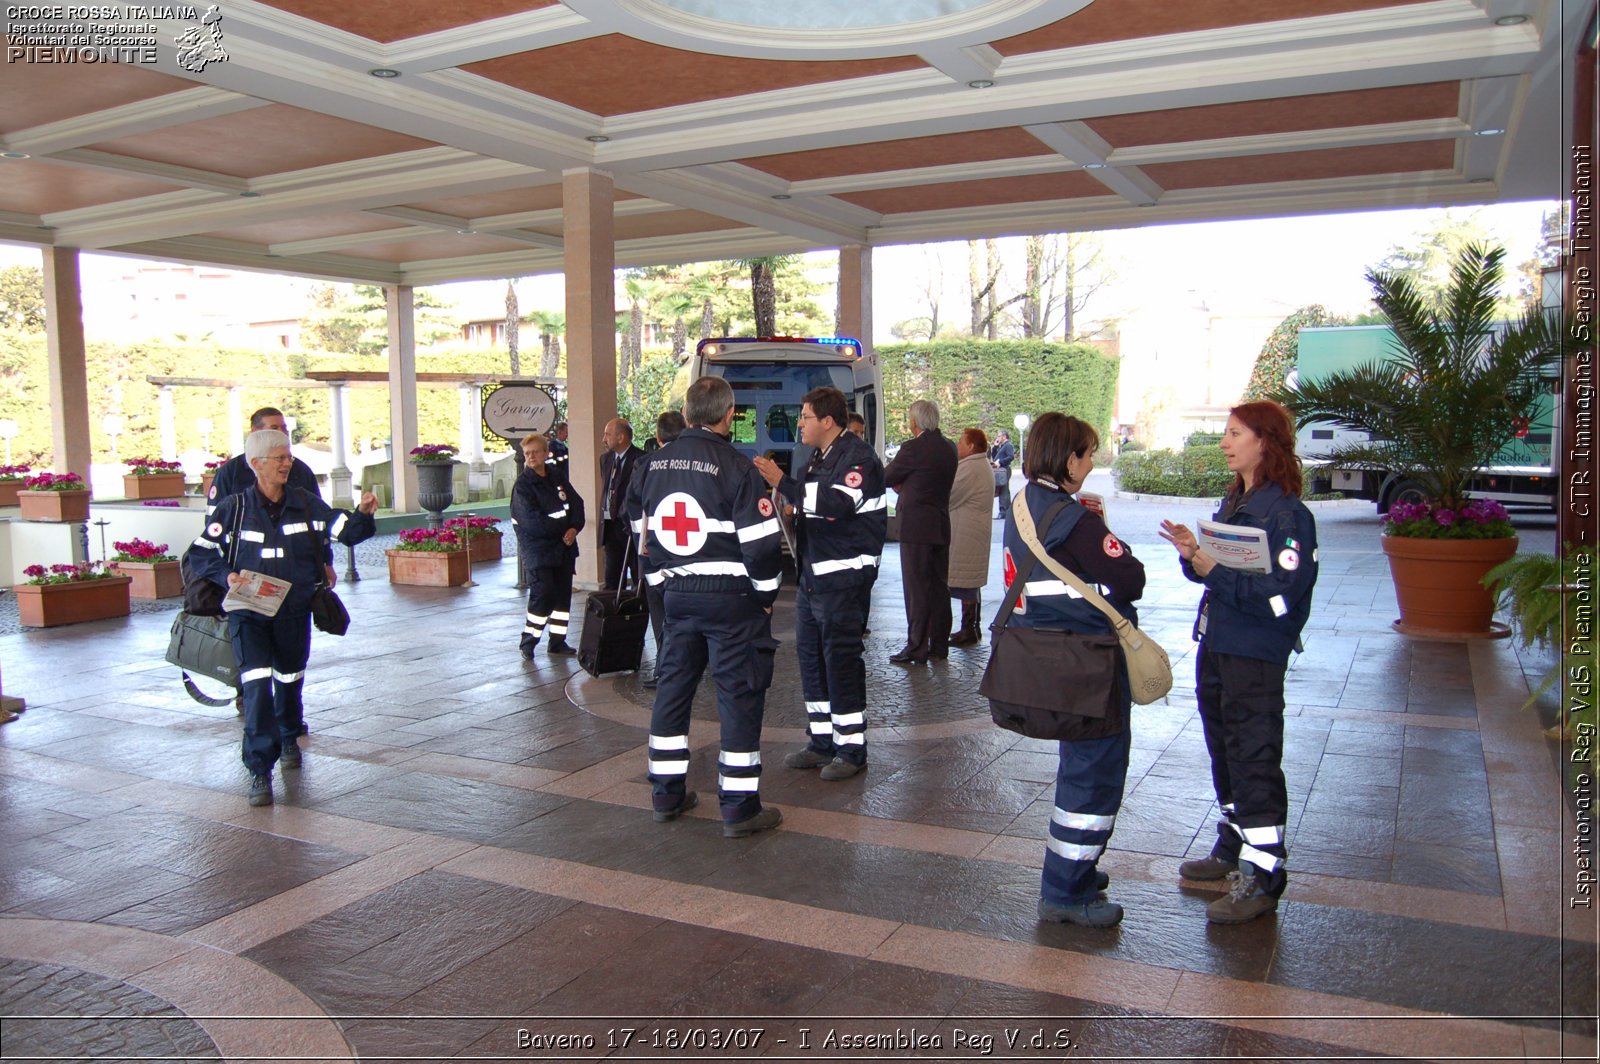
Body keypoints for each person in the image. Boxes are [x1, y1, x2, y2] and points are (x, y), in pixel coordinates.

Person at [1158, 399, 1318, 925]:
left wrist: (1213, 569)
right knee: (1225, 750)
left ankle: (1264, 874)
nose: (1225, 442)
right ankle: (1232, 845)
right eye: (1225, 434)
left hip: (1255, 653)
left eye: (1234, 434)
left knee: (1253, 755)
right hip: (1219, 645)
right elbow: (1217, 576)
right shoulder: (1237, 501)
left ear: (1264, 442)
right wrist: (1193, 555)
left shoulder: (1287, 515)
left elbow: (1281, 597)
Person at [1002, 413, 1145, 928]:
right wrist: (1104, 534)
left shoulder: (1022, 503)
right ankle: (1068, 889)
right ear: (1069, 461)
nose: (1091, 461)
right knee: (1093, 779)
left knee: (1077, 769)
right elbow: (1130, 576)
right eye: (1087, 453)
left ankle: (1072, 868)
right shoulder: (1075, 519)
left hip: (1049, 654)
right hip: (1089, 664)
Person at [189, 429, 378, 807]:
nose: (287, 463)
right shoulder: (234, 509)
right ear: (256, 465)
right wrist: (226, 576)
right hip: (249, 613)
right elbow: (201, 553)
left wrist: (363, 515)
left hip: (293, 611)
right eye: (279, 458)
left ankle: (290, 733)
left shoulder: (306, 504)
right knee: (257, 686)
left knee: (289, 678)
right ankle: (260, 769)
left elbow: (345, 532)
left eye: (288, 457)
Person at [632, 376, 784, 837]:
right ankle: (739, 807)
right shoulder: (738, 468)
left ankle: (666, 793)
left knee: (673, 690)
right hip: (730, 602)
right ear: (727, 414)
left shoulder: (651, 464)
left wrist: (661, 585)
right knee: (737, 695)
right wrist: (764, 597)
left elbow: (643, 535)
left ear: (688, 410)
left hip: (676, 598)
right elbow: (761, 546)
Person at [755, 386, 887, 782]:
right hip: (814, 578)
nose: (799, 423)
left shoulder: (858, 458)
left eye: (805, 417)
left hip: (843, 581)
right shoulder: (818, 456)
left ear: (827, 421)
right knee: (811, 659)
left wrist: (783, 483)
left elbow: (837, 503)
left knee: (841, 661)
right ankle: (821, 740)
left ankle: (851, 749)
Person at [882, 399, 957, 665]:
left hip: (915, 527)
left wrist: (905, 484)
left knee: (916, 589)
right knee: (938, 587)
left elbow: (887, 477)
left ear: (915, 421)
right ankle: (939, 645)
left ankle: (916, 648)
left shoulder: (913, 449)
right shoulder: (949, 448)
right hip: (940, 523)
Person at [625, 410, 687, 688]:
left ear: (658, 436)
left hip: (655, 556)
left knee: (661, 611)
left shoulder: (646, 464)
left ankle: (666, 668)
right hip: (692, 554)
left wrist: (645, 542)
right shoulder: (698, 461)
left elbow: (635, 510)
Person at [513, 433, 585, 658]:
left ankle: (557, 641)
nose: (531, 457)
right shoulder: (523, 486)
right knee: (543, 593)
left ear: (546, 453)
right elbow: (532, 521)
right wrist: (563, 530)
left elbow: (576, 504)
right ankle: (529, 642)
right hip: (539, 550)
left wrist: (574, 528)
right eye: (527, 454)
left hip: (563, 549)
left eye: (535, 452)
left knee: (562, 595)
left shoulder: (557, 477)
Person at [947, 427, 993, 648]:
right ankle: (971, 627)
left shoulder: (970, 468)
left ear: (971, 446)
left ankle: (969, 629)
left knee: (967, 583)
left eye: (960, 442)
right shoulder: (978, 465)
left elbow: (950, 496)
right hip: (972, 531)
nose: (957, 446)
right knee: (970, 582)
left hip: (967, 532)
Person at [600, 418, 645, 590]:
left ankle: (636, 611)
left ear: (621, 437)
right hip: (610, 526)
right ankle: (612, 614)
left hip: (630, 526)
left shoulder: (641, 459)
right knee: (611, 574)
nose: (604, 439)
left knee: (636, 572)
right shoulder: (605, 460)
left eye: (607, 435)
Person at [846, 412, 873, 633]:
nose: (858, 437)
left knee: (863, 586)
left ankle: (860, 625)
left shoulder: (864, 458)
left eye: (861, 433)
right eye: (854, 432)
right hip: (858, 536)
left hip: (864, 535)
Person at [990, 430, 1016, 519]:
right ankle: (1006, 510)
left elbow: (1011, 456)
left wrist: (1001, 462)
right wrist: (995, 447)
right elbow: (994, 457)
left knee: (1004, 489)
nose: (998, 438)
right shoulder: (1002, 447)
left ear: (1004, 437)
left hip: (1005, 470)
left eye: (999, 436)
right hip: (1001, 470)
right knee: (1003, 489)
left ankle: (1004, 510)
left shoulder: (1008, 445)